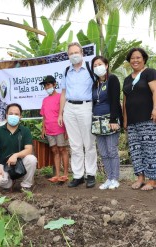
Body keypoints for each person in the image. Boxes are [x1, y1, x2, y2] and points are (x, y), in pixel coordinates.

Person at [58, 42, 98, 188]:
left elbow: (98, 87)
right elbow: (63, 93)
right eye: (71, 53)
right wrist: (60, 113)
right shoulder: (66, 70)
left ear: (82, 53)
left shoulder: (89, 68)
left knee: (89, 143)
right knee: (75, 145)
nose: (74, 55)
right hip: (69, 108)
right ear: (68, 56)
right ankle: (78, 175)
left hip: (86, 107)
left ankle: (91, 174)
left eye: (76, 52)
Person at [122, 47, 156, 191]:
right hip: (132, 121)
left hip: (147, 118)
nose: (135, 60)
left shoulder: (150, 73)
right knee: (135, 150)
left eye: (138, 57)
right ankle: (140, 178)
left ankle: (152, 181)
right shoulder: (127, 79)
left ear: (144, 59)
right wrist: (125, 119)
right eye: (132, 58)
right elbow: (125, 101)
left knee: (149, 149)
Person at [91, 56, 123, 190]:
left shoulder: (113, 79)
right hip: (97, 121)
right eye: (95, 65)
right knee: (103, 152)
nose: (97, 67)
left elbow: (115, 100)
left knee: (112, 151)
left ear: (106, 65)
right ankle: (109, 178)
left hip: (110, 119)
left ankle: (115, 178)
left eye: (100, 64)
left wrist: (114, 120)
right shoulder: (95, 83)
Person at [0, 103, 37, 191]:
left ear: (20, 116)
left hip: (20, 163)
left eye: (16, 114)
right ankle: (9, 184)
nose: (13, 116)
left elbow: (29, 149)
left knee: (32, 159)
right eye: (11, 114)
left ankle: (26, 185)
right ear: (6, 115)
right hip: (3, 164)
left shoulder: (25, 131)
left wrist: (15, 155)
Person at [40, 75, 69, 183]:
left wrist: (66, 130)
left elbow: (65, 114)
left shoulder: (61, 97)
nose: (47, 87)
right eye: (45, 86)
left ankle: (65, 174)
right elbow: (44, 116)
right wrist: (44, 129)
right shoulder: (45, 100)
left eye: (48, 85)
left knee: (63, 150)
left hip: (60, 128)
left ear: (54, 84)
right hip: (49, 130)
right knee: (55, 151)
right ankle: (57, 175)